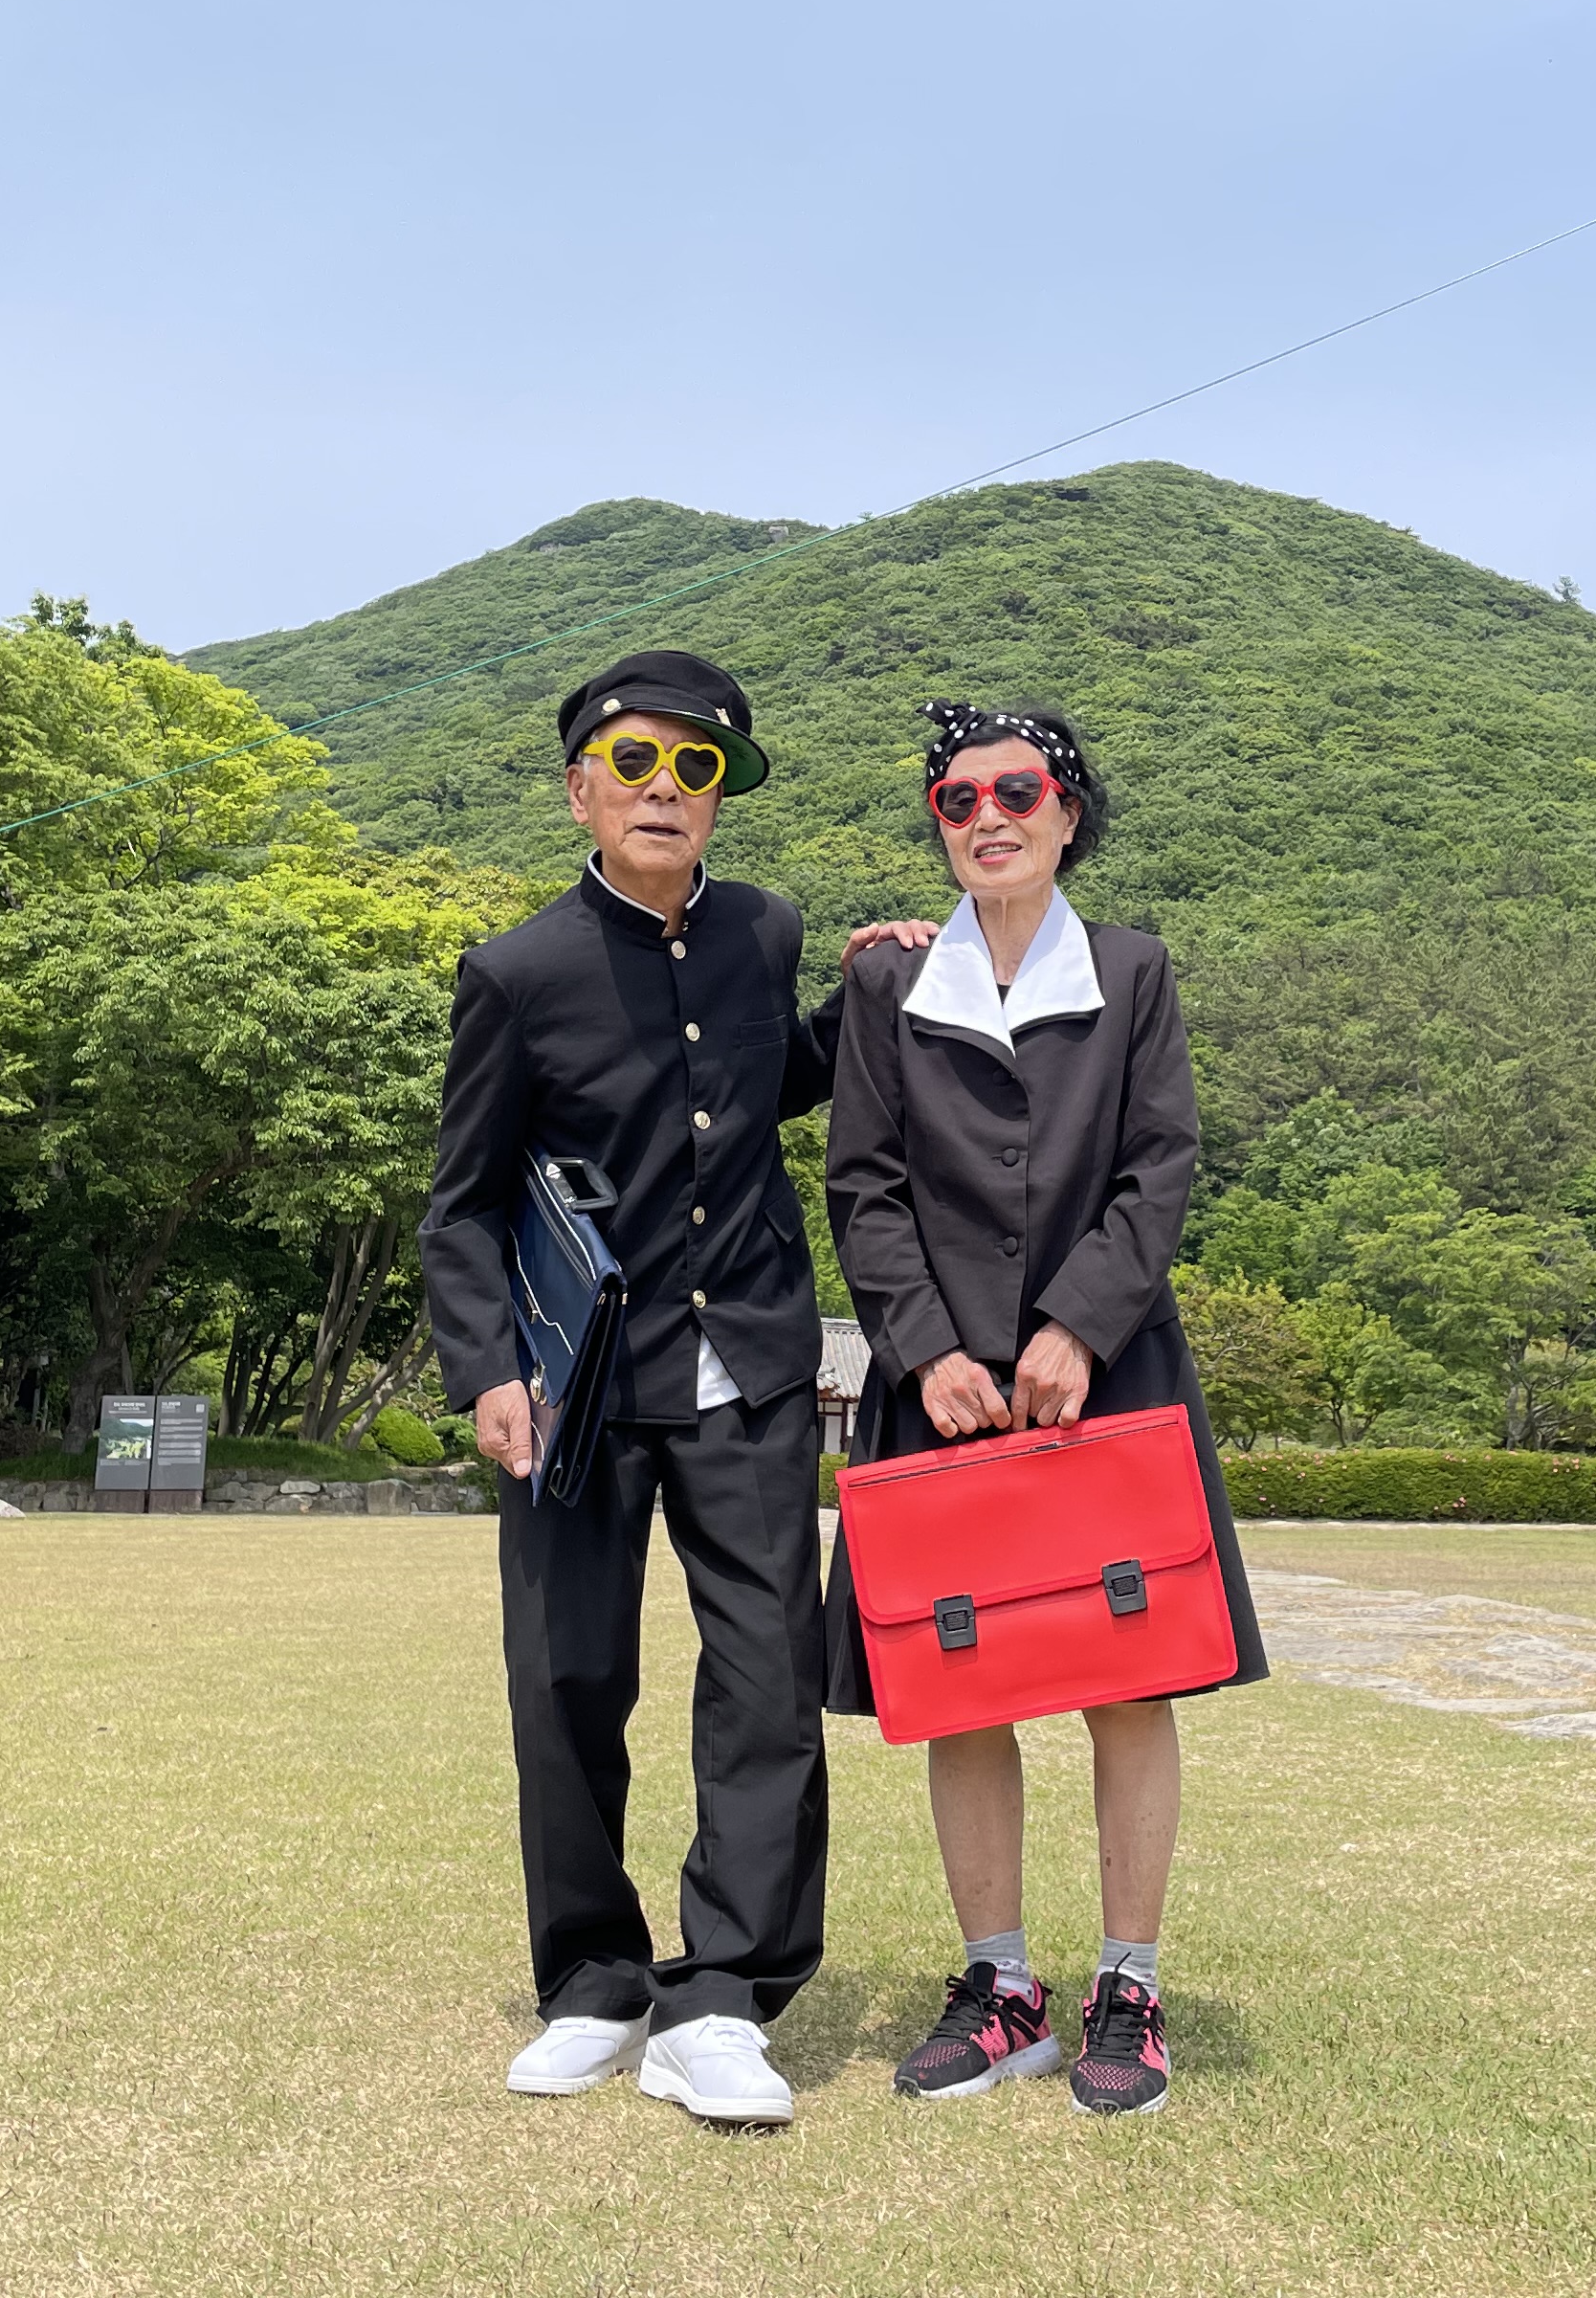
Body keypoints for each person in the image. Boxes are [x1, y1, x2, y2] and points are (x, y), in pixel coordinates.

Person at [420, 651, 927, 2129]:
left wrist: (868, 989)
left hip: (752, 1358)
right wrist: (486, 1367)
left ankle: (722, 1998)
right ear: (581, 788)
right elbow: (462, 1201)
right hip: (575, 1381)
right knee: (568, 1676)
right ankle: (592, 1982)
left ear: (719, 799)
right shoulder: (516, 972)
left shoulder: (764, 931)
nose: (665, 790)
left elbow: (768, 1084)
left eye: (695, 769)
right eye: (634, 763)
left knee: (765, 1679)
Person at [820, 701, 1268, 2119]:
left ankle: (1128, 1990)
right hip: (942, 1388)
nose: (989, 818)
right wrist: (923, 1349)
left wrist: (1080, 1322)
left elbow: (1159, 1161)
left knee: (1128, 1680)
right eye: (958, 801)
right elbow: (863, 1185)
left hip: (1106, 1372)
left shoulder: (1132, 969)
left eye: (1018, 792)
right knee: (964, 1684)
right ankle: (999, 1988)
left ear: (1070, 813)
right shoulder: (890, 984)